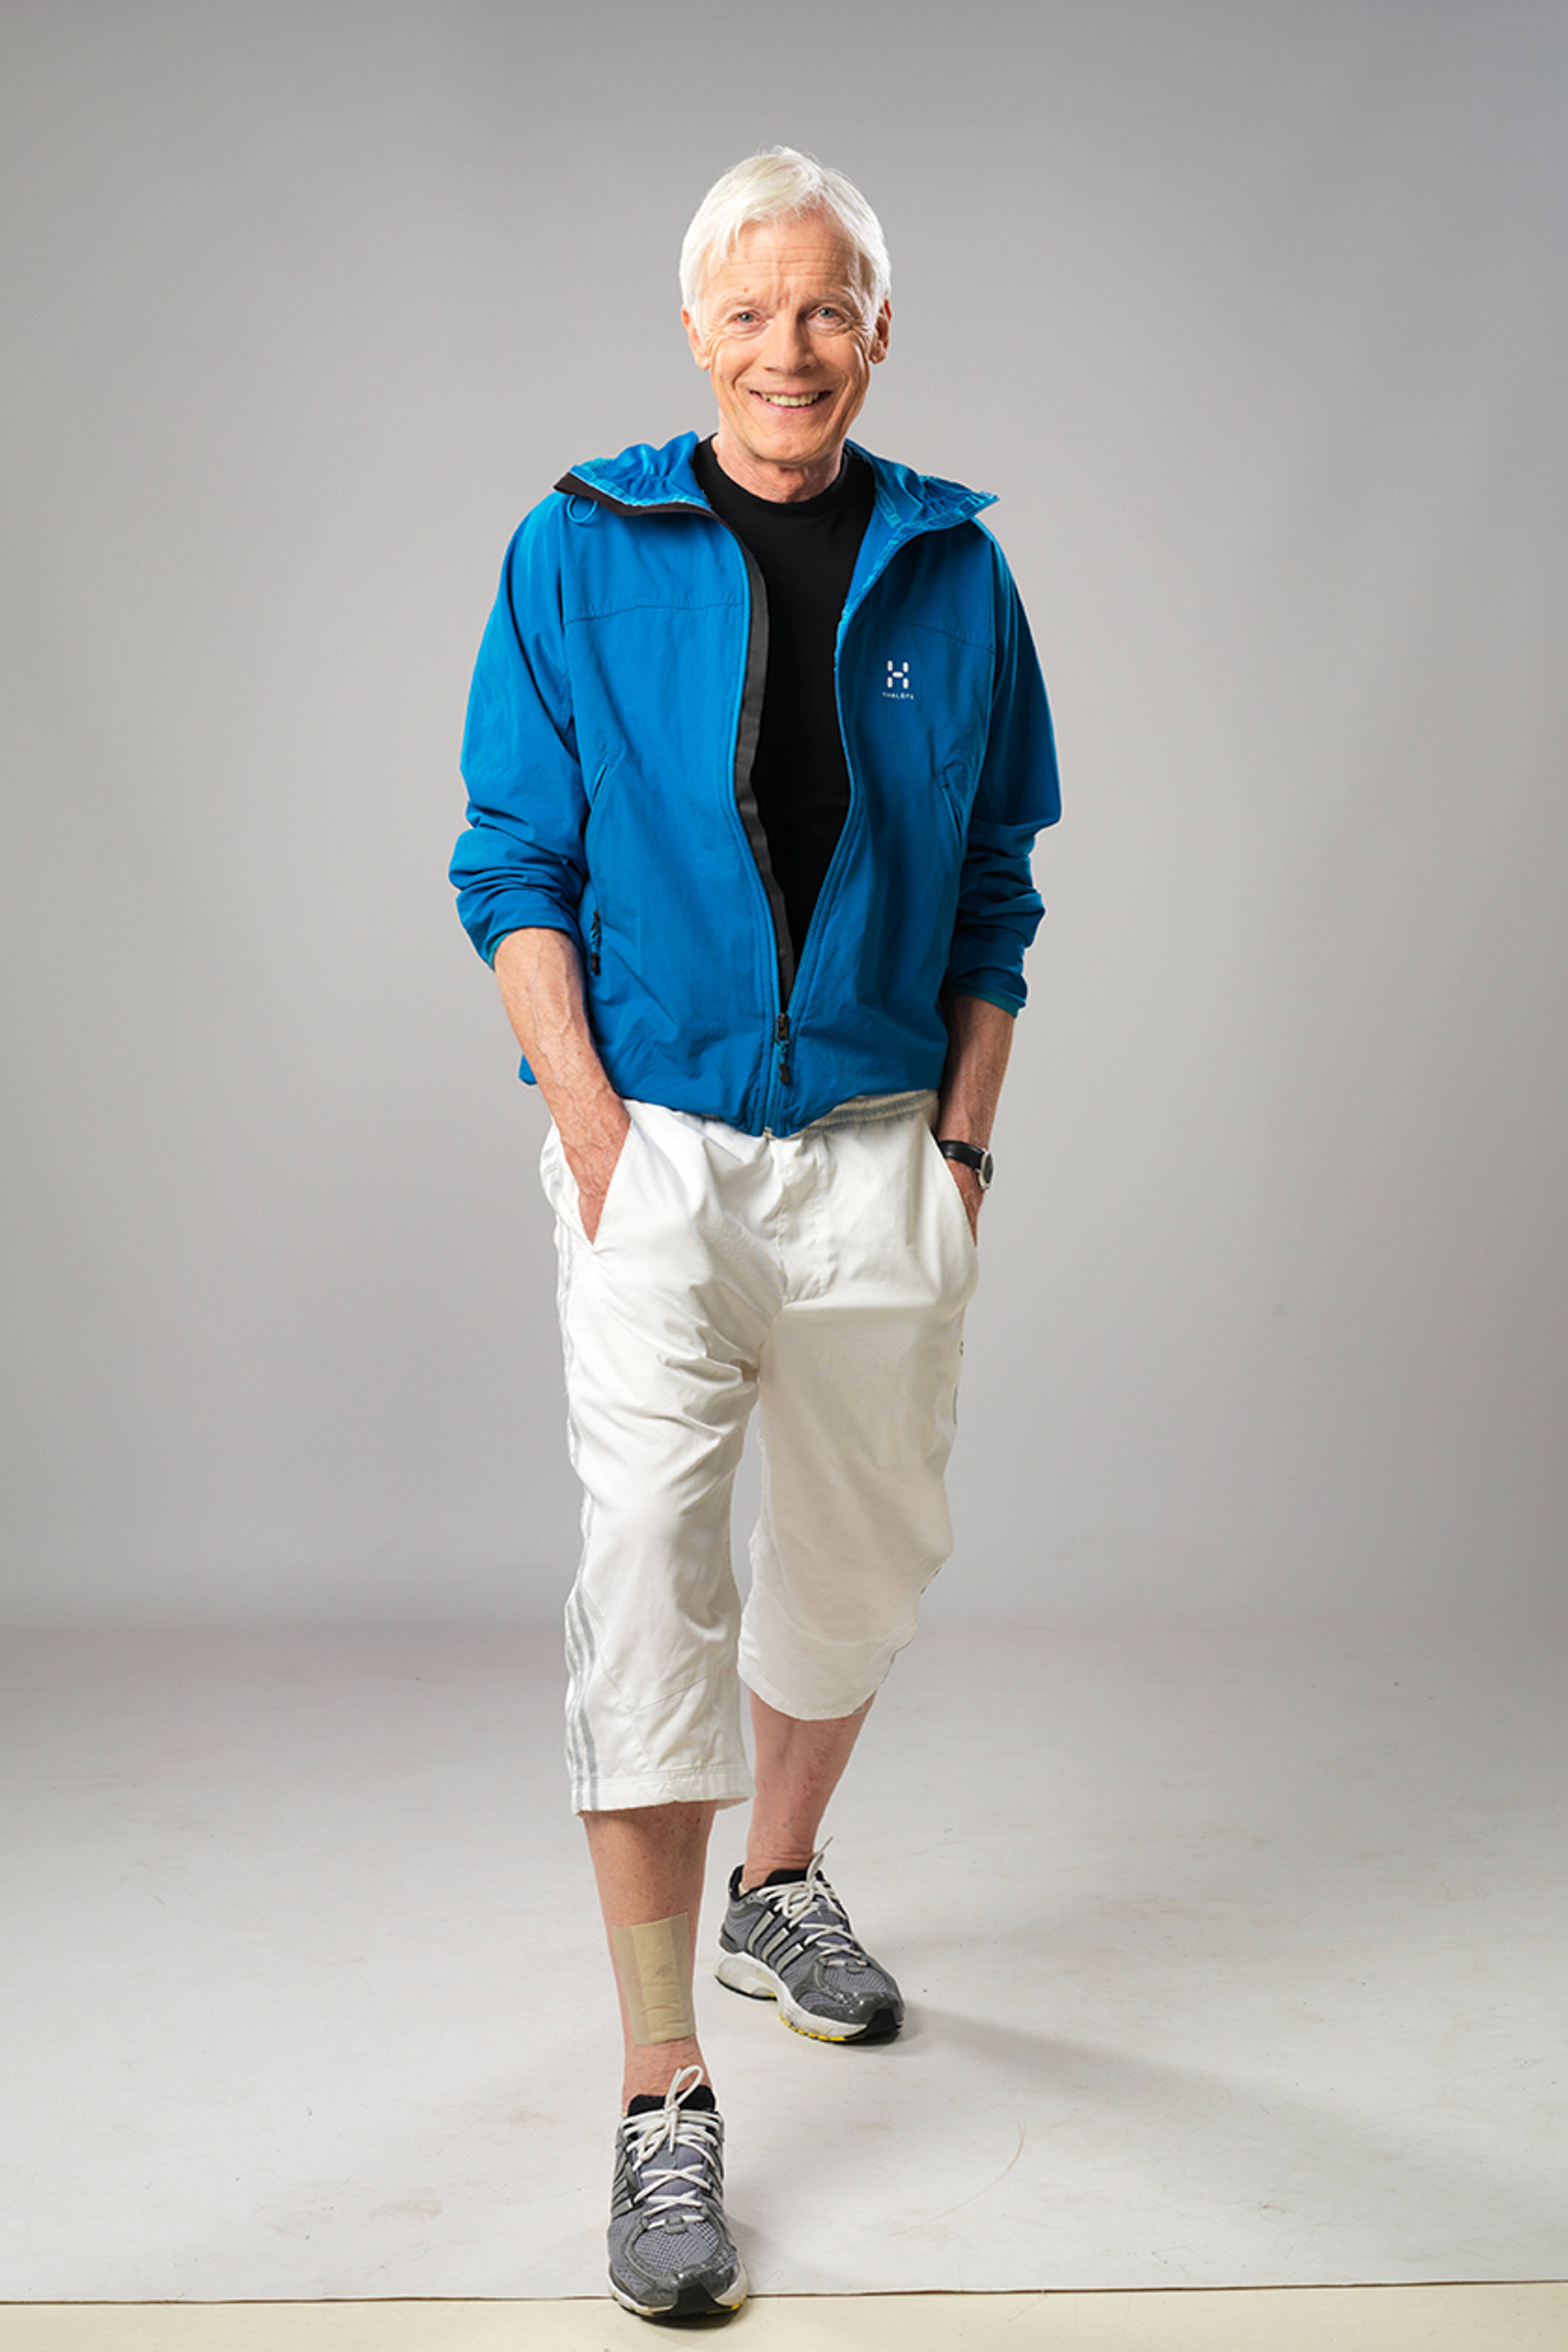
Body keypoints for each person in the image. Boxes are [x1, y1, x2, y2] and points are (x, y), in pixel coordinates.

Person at [452, 146, 1060, 2320]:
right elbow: (510, 865)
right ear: (693, 331)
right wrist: (592, 1130)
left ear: (878, 332)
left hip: (884, 1151)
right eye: (749, 310)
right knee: (647, 1572)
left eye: (826, 311)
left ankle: (775, 1882)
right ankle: (661, 2093)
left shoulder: (956, 567)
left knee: (870, 1558)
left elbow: (999, 883)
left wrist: (963, 1150)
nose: (786, 350)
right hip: (663, 1155)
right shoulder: (577, 545)